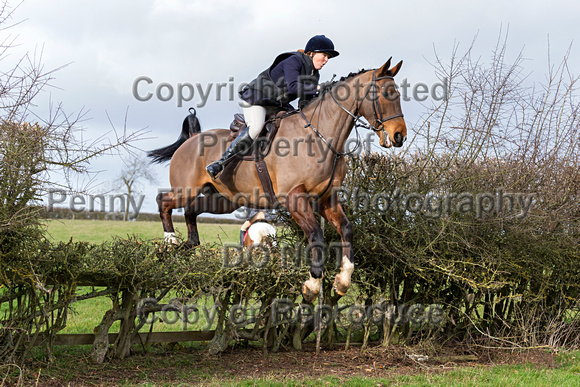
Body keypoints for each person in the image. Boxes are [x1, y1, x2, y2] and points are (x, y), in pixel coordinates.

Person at [205, 35, 340, 179]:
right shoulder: (294, 60)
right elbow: (293, 87)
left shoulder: (314, 74)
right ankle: (220, 163)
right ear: (312, 53)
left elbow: (304, 104)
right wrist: (318, 87)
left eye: (328, 57)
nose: (326, 60)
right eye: (324, 55)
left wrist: (325, 97)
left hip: (276, 104)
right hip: (258, 98)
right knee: (256, 127)